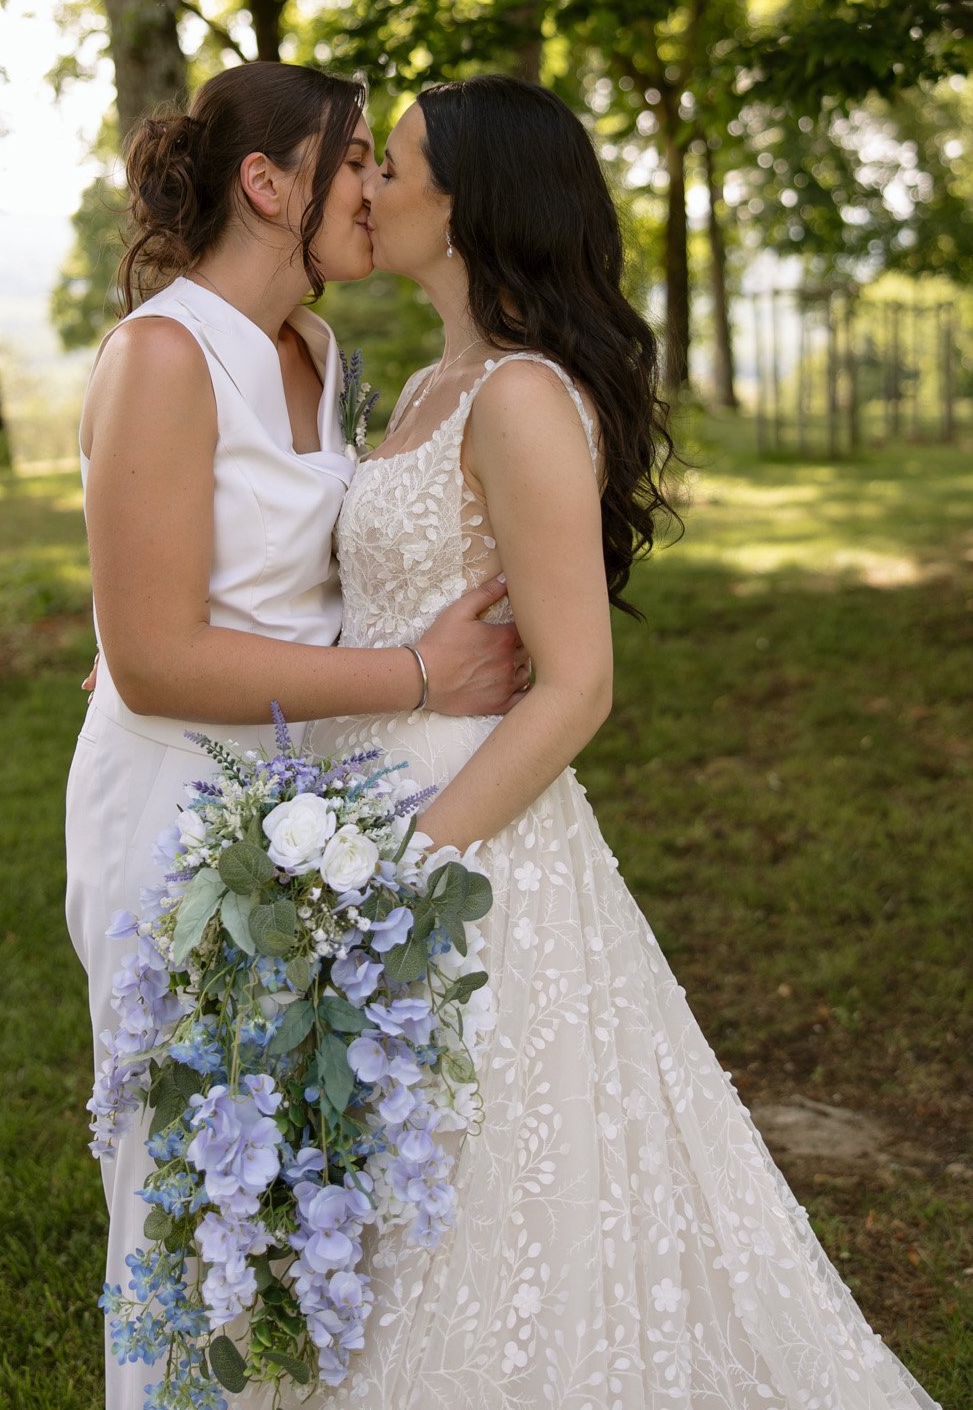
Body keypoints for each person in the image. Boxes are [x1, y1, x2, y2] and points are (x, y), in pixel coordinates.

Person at [307, 75, 942, 1409]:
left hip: (463, 857)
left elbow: (575, 685)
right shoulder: (426, 385)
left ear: (468, 199)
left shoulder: (522, 398)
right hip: (351, 819)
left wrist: (411, 871)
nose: (368, 187)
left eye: (395, 163)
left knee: (489, 1201)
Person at [63, 61, 528, 1410]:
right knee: (186, 1171)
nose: (375, 189)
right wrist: (418, 674)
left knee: (303, 1165)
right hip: (175, 802)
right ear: (268, 186)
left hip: (312, 800)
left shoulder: (324, 356)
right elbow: (150, 660)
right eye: (353, 162)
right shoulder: (160, 355)